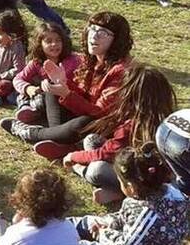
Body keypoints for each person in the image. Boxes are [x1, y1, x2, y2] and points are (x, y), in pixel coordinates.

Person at [0, 12, 132, 149]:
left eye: (103, 32)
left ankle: (32, 133)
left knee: (83, 123)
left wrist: (67, 93)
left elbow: (100, 113)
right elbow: (83, 94)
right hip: (81, 111)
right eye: (92, 28)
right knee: (52, 85)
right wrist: (63, 84)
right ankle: (59, 139)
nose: (94, 35)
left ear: (117, 39)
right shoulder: (91, 59)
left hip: (102, 123)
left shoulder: (120, 70)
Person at [55, 65, 176, 205]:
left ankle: (117, 189)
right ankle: (119, 190)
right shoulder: (167, 118)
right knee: (92, 139)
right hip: (140, 167)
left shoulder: (132, 126)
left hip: (146, 178)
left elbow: (105, 154)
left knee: (96, 169)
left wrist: (73, 157)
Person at [69, 143, 189, 245]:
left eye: (120, 181)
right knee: (90, 221)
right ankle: (60, 226)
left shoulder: (148, 214)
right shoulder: (167, 193)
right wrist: (107, 223)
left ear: (130, 187)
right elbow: (124, 217)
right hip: (138, 239)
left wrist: (102, 234)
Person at [11, 23, 80, 124]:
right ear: (40, 44)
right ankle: (28, 110)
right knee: (23, 95)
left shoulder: (73, 60)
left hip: (65, 99)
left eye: (58, 40)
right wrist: (28, 88)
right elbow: (18, 79)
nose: (54, 44)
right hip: (43, 98)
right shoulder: (36, 63)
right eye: (49, 41)